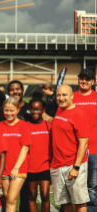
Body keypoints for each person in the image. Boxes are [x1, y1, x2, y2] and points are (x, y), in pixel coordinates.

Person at [50, 85, 89, 212]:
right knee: (66, 203)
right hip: (57, 165)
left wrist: (76, 167)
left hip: (72, 165)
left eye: (64, 95)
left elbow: (83, 143)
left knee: (79, 202)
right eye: (58, 95)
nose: (61, 98)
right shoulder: (59, 110)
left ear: (72, 96)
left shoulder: (79, 114)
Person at [0, 97, 31, 212]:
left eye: (12, 110)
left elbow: (25, 148)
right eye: (6, 110)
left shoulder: (23, 125)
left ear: (18, 110)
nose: (9, 113)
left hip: (18, 168)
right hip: (4, 168)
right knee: (6, 197)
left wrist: (16, 168)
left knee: (11, 199)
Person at [72, 69, 97, 212]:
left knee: (92, 186)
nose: (84, 81)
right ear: (78, 80)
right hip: (73, 151)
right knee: (73, 184)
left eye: (87, 79)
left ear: (92, 82)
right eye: (81, 78)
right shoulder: (71, 97)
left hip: (94, 150)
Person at [27, 96, 52, 212]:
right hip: (30, 166)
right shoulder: (25, 126)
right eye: (32, 109)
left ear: (43, 110)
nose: (35, 112)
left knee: (45, 195)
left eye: (38, 109)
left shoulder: (49, 126)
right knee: (32, 195)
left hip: (45, 166)